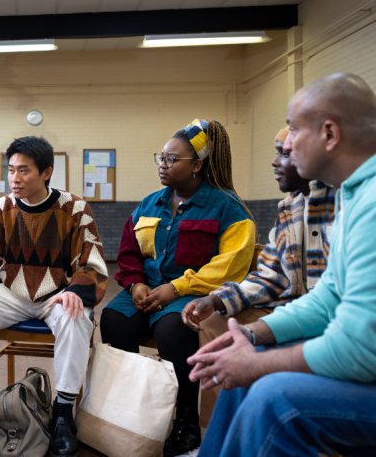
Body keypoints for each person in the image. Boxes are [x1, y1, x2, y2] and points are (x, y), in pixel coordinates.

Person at [191, 73, 376, 456]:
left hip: (364, 361)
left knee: (274, 398)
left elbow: (359, 349)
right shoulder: (354, 194)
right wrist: (251, 337)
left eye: (293, 129)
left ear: (329, 134)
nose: (287, 145)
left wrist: (257, 365)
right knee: (245, 366)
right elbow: (326, 301)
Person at [101, 119, 256, 457]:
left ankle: (186, 421)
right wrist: (135, 282)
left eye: (172, 159)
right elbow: (128, 251)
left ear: (197, 165)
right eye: (161, 157)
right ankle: (133, 410)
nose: (163, 164)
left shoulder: (228, 208)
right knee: (113, 319)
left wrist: (177, 287)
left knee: (174, 328)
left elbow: (230, 265)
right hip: (146, 289)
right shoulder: (149, 204)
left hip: (189, 295)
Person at [0, 136, 109, 457]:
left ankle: (63, 415)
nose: (15, 178)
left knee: (77, 316)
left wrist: (76, 290)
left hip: (58, 294)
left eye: (24, 170)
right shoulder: (0, 208)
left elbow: (91, 263)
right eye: (11, 170)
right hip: (12, 293)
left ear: (46, 173)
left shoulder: (75, 208)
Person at [182, 127, 334, 427]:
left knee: (249, 347)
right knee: (213, 321)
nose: (275, 162)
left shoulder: (345, 205)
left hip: (327, 316)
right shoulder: (290, 208)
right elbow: (269, 275)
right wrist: (217, 298)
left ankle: (255, 422)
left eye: (284, 154)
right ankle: (217, 428)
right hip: (289, 306)